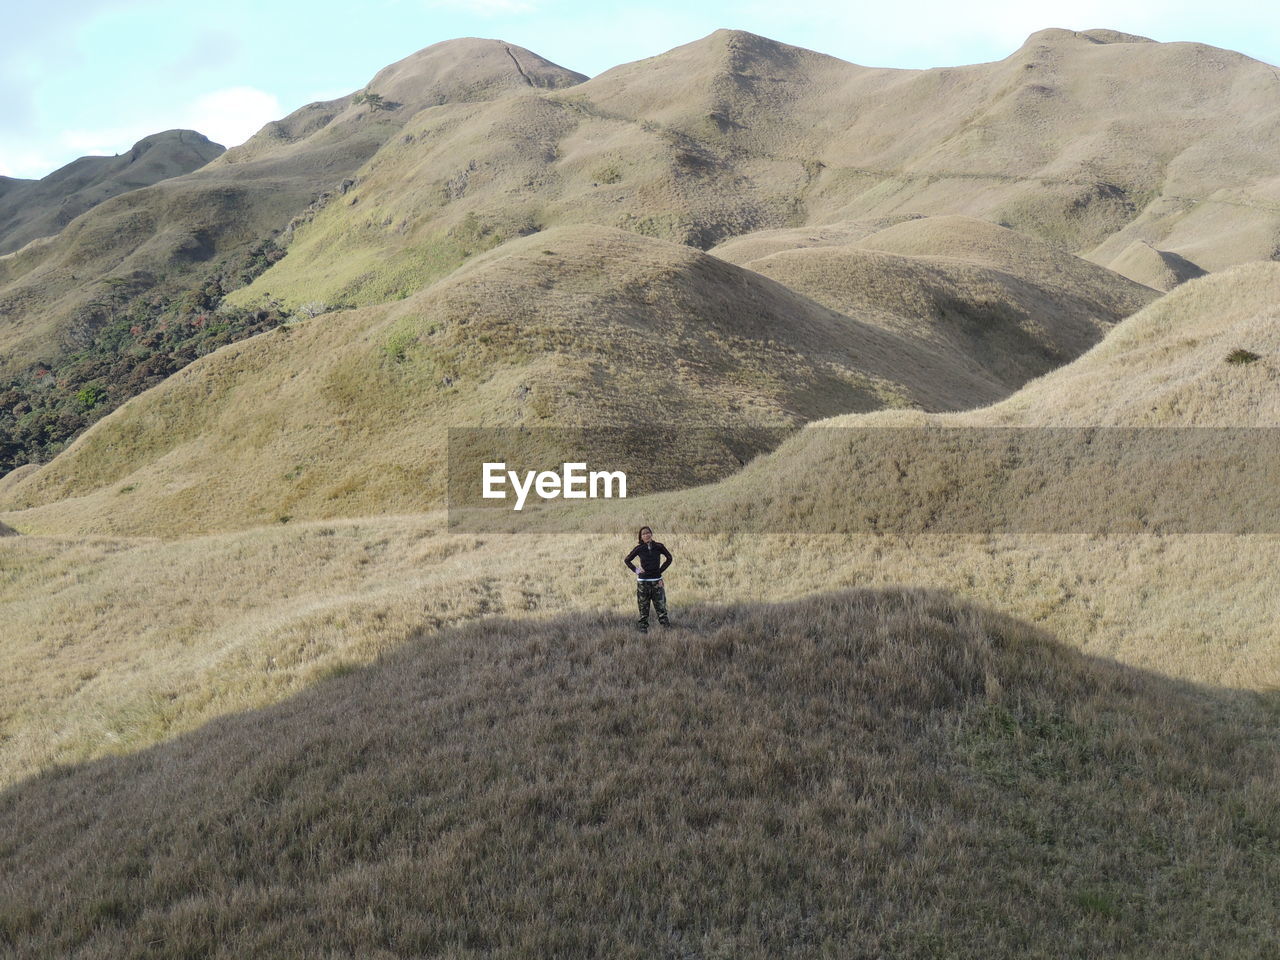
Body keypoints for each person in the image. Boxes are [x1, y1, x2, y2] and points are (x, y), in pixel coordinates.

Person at [624, 526, 672, 632]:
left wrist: (660, 570)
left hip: (657, 581)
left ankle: (666, 628)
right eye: (644, 534)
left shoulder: (659, 546)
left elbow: (669, 558)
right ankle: (643, 629)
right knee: (643, 606)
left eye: (648, 533)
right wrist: (636, 570)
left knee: (661, 606)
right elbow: (627, 560)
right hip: (643, 582)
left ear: (651, 534)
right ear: (641, 537)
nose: (646, 535)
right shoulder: (639, 548)